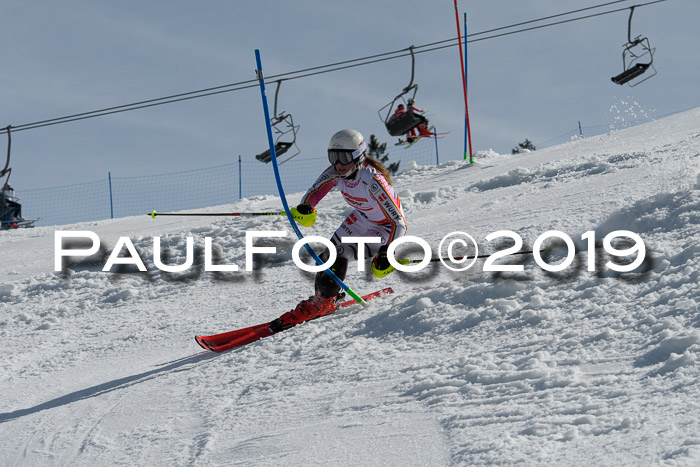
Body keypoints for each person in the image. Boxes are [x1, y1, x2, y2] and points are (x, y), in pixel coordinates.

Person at [270, 129, 407, 332]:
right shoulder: (335, 172)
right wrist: (307, 207)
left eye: (343, 157)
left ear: (359, 157)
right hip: (362, 218)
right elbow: (315, 192)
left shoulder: (372, 180)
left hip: (385, 228)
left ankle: (323, 302)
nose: (338, 164)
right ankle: (324, 300)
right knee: (327, 256)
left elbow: (399, 222)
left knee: (339, 255)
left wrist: (388, 251)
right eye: (333, 157)